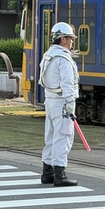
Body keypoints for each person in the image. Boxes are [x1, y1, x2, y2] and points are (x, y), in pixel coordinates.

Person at [39, 22, 79, 187]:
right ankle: (60, 174)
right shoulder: (63, 58)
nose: (71, 42)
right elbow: (68, 83)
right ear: (63, 38)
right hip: (62, 101)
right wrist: (70, 103)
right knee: (63, 136)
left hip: (50, 100)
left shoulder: (48, 55)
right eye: (70, 38)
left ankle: (47, 173)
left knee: (51, 135)